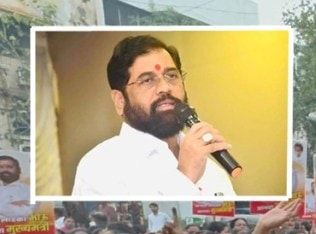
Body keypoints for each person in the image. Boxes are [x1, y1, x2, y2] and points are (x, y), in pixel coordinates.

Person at [72, 35, 235, 199]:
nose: (165, 88)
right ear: (120, 101)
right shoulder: (101, 166)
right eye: (147, 80)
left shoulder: (209, 166)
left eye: (171, 76)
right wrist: (185, 176)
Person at [0, 155, 33, 220]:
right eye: (1, 167)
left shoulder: (28, 191)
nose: (5, 170)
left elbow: (27, 212)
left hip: (23, 228)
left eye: (9, 167)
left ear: (19, 170)